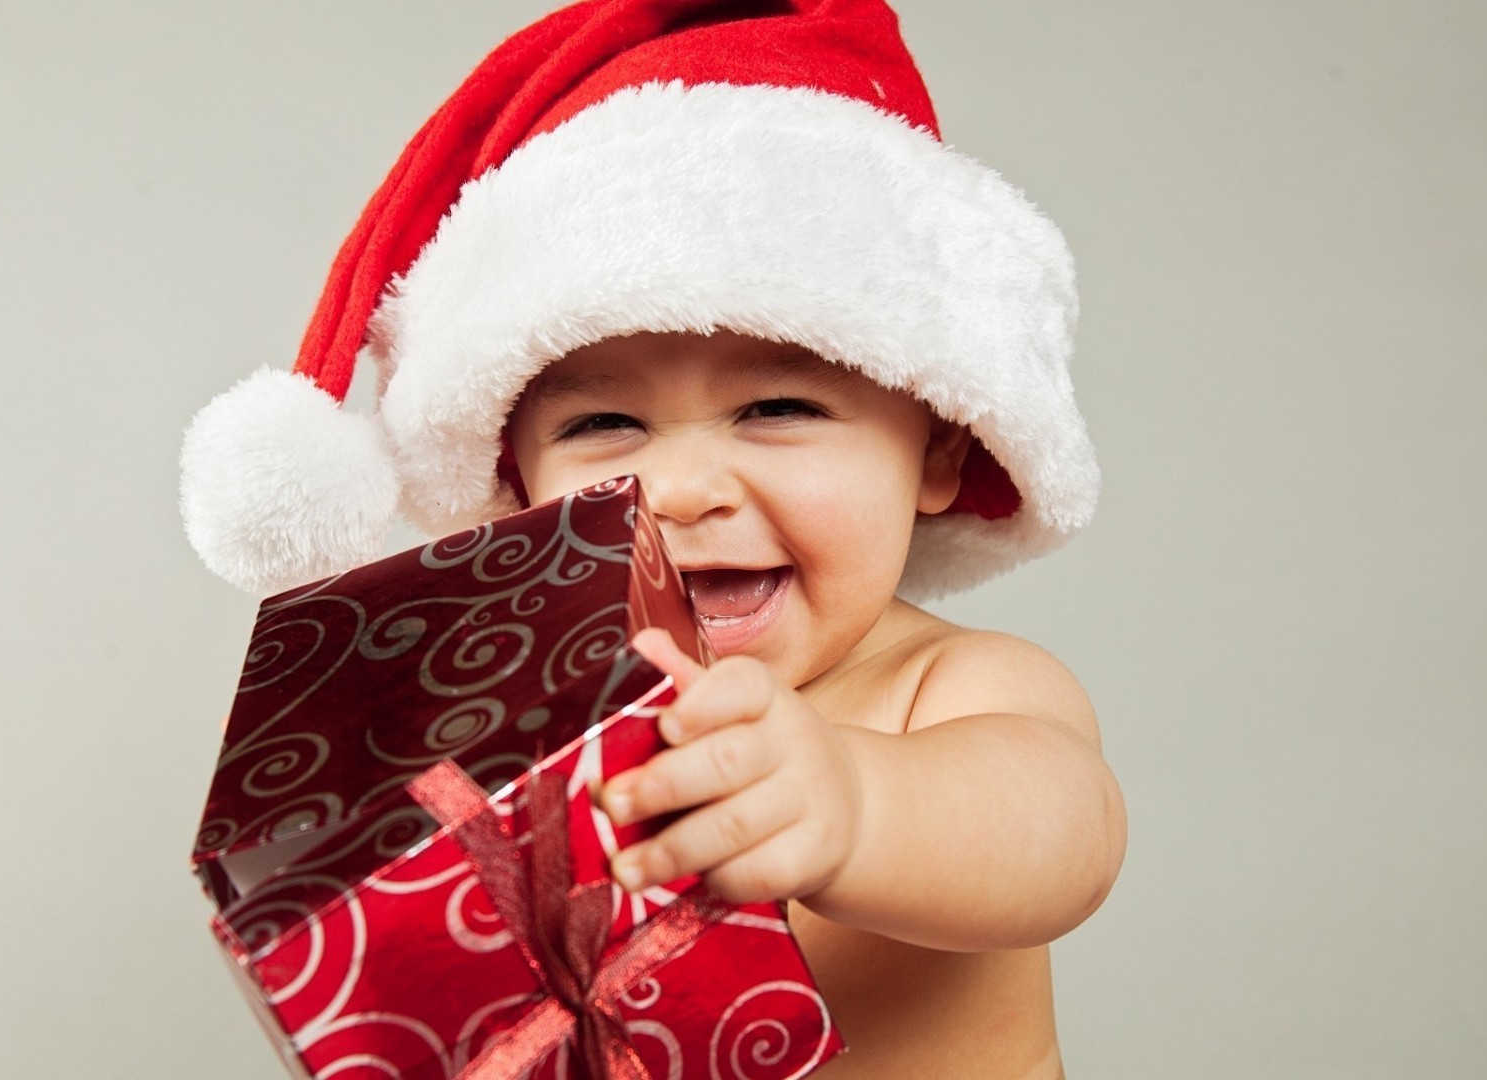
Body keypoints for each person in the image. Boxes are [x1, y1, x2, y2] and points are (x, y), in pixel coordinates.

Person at [180, 2, 1124, 1076]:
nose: (679, 488)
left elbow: (1063, 839)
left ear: (940, 452)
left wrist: (855, 804)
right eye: (603, 425)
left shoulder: (951, 689)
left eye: (777, 408)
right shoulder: (529, 729)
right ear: (516, 482)